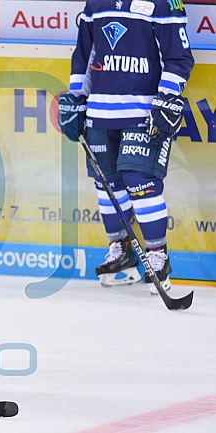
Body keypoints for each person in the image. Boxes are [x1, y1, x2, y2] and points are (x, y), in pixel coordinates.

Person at [58, 0, 194, 294]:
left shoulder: (165, 3)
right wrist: (76, 97)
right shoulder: (96, 4)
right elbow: (83, 55)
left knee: (141, 182)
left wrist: (168, 95)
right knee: (107, 184)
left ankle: (157, 256)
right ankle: (121, 250)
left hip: (144, 112)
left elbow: (179, 58)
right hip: (100, 113)